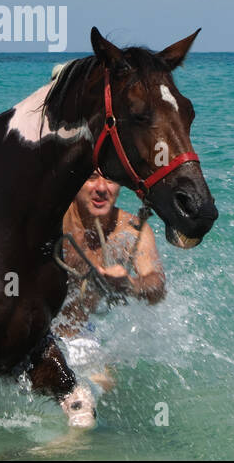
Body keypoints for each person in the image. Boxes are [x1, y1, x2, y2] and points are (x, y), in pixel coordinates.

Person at [53, 168, 165, 391]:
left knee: (100, 391)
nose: (102, 188)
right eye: (91, 177)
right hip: (37, 330)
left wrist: (131, 285)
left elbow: (157, 287)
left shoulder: (132, 230)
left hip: (79, 334)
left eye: (112, 179)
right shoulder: (54, 219)